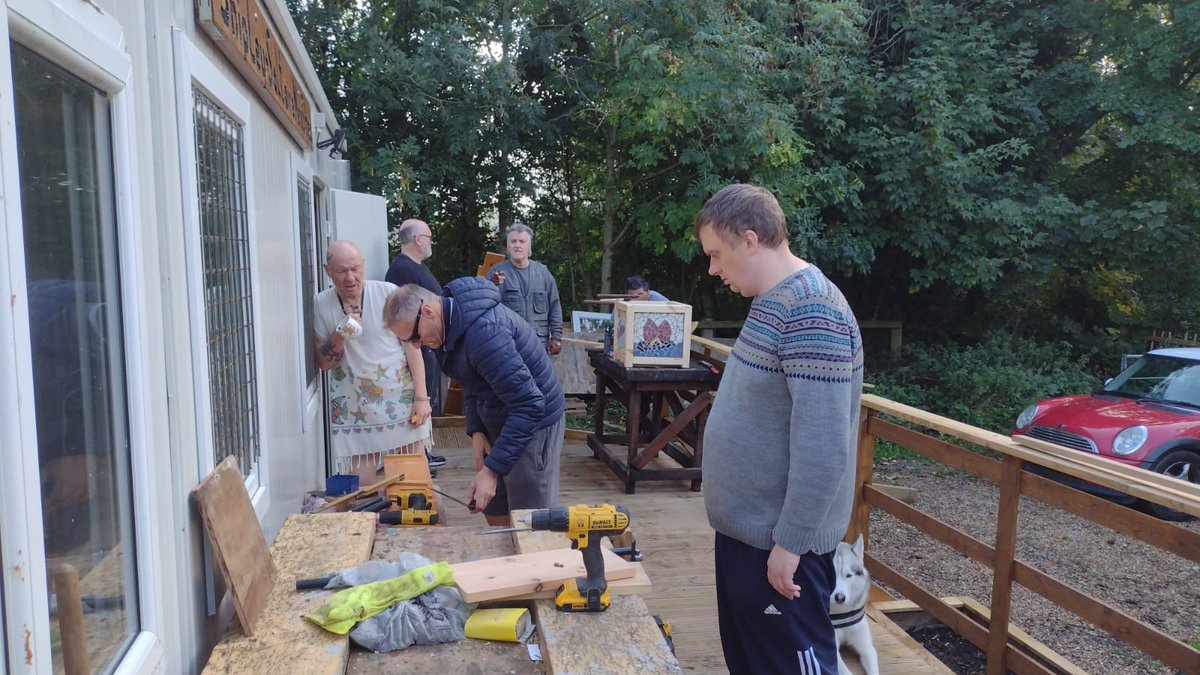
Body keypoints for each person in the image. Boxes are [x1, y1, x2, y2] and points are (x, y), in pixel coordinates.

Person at [694, 184, 863, 674]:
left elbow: (826, 449)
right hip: (748, 539)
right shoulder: (772, 300)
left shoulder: (813, 311)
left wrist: (789, 545)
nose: (712, 269)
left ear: (750, 240)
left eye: (716, 254)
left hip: (781, 549)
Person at [382, 277, 565, 527]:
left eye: (414, 337)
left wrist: (491, 470)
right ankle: (502, 562)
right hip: (500, 413)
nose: (416, 345)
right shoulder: (446, 328)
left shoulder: (486, 334)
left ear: (428, 312)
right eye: (407, 342)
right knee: (494, 506)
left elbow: (530, 404)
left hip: (534, 422)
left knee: (529, 521)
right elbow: (469, 380)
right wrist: (477, 431)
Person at [314, 241, 433, 488]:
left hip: (400, 400)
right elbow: (324, 364)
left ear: (363, 265)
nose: (350, 277)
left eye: (355, 269)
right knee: (361, 488)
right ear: (327, 271)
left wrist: (422, 398)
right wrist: (340, 333)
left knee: (411, 482)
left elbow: (412, 348)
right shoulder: (322, 305)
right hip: (355, 408)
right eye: (341, 271)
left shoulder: (387, 293)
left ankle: (416, 527)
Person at [384, 218, 447, 468]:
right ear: (418, 239)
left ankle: (423, 449)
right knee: (419, 400)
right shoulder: (402, 269)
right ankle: (418, 452)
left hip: (426, 344)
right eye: (430, 237)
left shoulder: (415, 266)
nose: (431, 242)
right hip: (415, 346)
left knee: (426, 399)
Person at [488, 222, 563, 355]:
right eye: (513, 241)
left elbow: (555, 306)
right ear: (508, 246)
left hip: (539, 345)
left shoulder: (543, 273)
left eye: (522, 241)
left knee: (540, 376)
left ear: (529, 246)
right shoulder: (497, 273)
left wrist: (556, 337)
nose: (517, 245)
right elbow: (485, 305)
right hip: (509, 346)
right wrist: (492, 285)